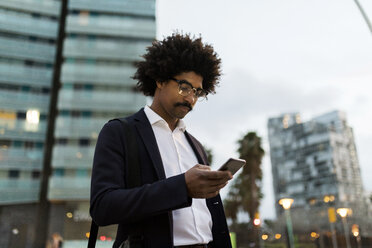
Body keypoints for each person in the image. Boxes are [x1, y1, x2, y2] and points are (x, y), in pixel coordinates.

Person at [90, 33, 233, 248]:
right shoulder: (119, 132)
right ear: (160, 79)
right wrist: (182, 187)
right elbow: (103, 207)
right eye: (184, 87)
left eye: (197, 92)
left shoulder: (195, 145)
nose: (190, 99)